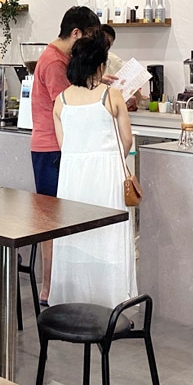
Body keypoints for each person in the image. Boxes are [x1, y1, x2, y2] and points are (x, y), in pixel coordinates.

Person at [49, 32, 138, 307]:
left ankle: (75, 298)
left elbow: (64, 145)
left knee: (76, 237)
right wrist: (107, 157)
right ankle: (112, 301)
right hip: (107, 174)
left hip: (73, 177)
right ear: (100, 66)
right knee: (109, 236)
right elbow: (126, 140)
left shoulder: (61, 100)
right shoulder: (111, 95)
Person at [30, 5, 101, 305]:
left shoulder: (60, 59)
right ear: (75, 34)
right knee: (51, 223)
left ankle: (58, 287)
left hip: (57, 149)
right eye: (87, 39)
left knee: (59, 220)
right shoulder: (53, 63)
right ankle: (49, 288)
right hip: (51, 150)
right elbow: (70, 105)